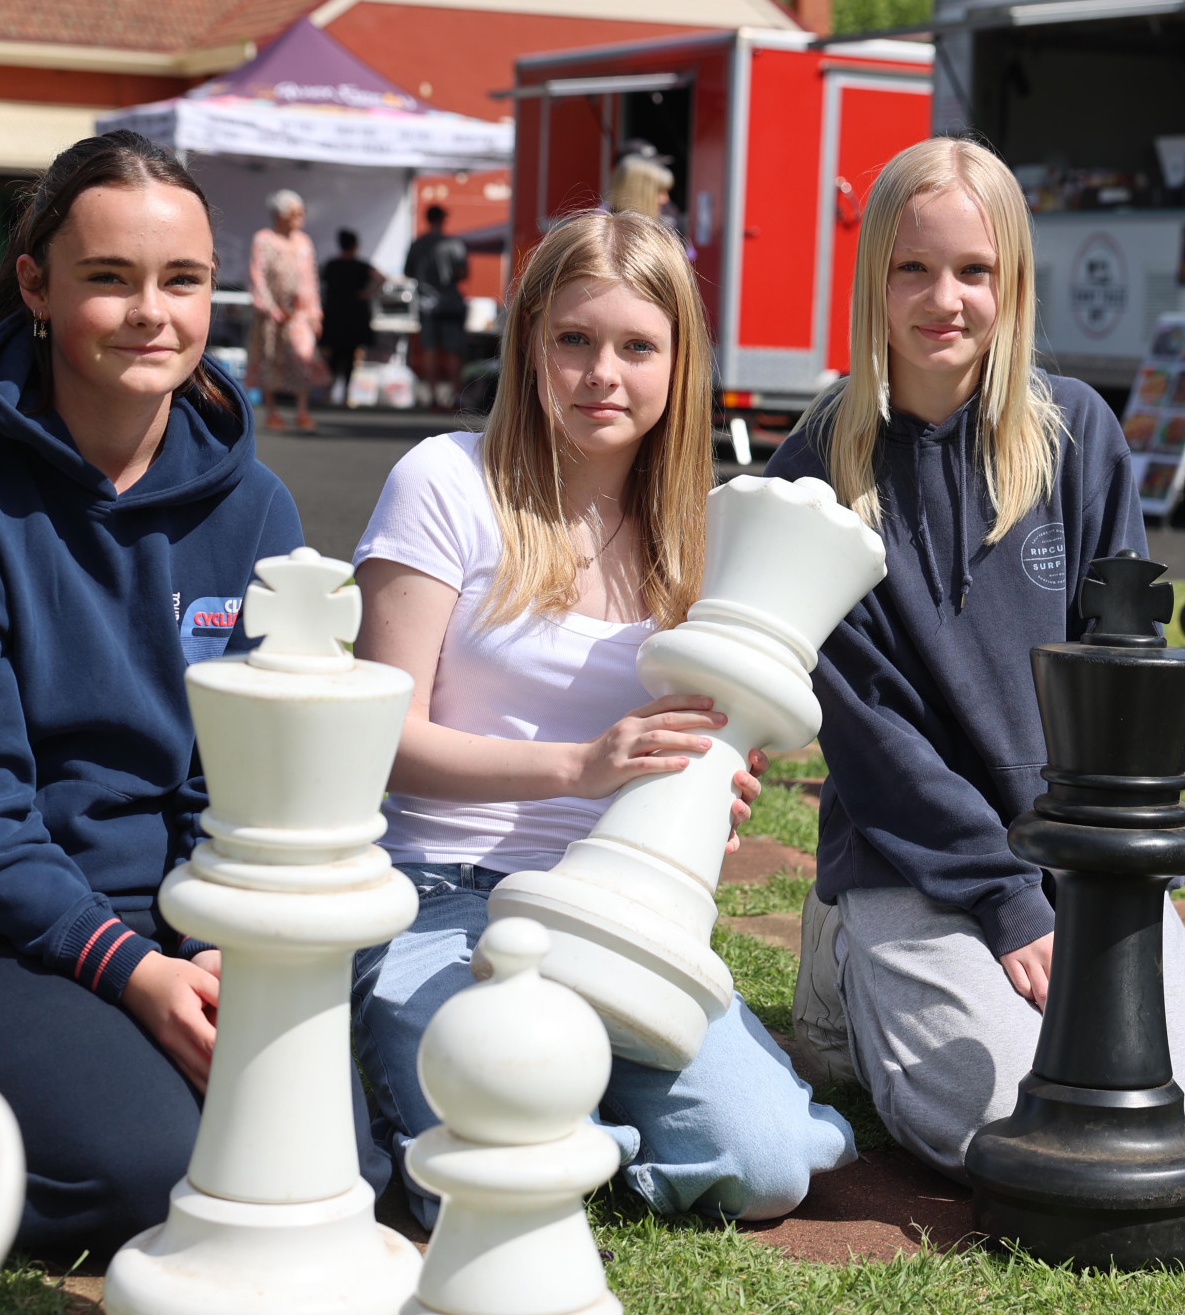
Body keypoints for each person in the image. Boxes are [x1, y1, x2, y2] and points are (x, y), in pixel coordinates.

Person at [0, 131, 321, 1257]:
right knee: (145, 1172)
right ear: (39, 286)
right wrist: (129, 972)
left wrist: (210, 946)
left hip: (166, 924)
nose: (153, 312)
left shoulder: (257, 514)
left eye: (182, 280)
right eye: (112, 279)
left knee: (314, 1146)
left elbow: (237, 780)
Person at [350, 207, 856, 1228]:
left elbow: (693, 737)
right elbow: (376, 742)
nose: (601, 375)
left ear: (679, 364)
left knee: (766, 1168)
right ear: (529, 342)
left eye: (636, 346)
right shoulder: (446, 482)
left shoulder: (702, 533)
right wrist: (579, 768)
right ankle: (541, 1122)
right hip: (440, 896)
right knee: (491, 1165)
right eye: (573, 340)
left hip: (621, 915)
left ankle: (573, 1123)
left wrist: (706, 779)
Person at [763, 136, 1185, 1180]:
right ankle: (841, 967)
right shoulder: (814, 464)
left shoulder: (1078, 435)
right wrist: (1000, 897)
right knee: (1001, 1125)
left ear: (1011, 282)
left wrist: (1085, 874)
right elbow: (865, 731)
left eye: (973, 271)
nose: (944, 299)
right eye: (912, 268)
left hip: (1075, 855)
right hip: (914, 853)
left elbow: (1119, 675)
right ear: (873, 281)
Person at [247, 188, 329, 433]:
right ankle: (272, 412)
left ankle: (302, 410)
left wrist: (315, 313)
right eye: (295, 212)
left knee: (304, 356)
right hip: (272, 315)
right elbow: (257, 276)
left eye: (301, 212)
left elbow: (311, 280)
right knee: (270, 360)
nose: (300, 216)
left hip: (299, 313)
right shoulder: (263, 239)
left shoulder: (304, 242)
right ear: (280, 215)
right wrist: (270, 307)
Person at [403, 204, 469, 410]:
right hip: (449, 302)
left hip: (426, 303)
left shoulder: (417, 244)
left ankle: (431, 396)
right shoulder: (454, 244)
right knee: (452, 351)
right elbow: (463, 273)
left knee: (429, 350)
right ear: (442, 220)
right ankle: (456, 395)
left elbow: (408, 272)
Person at [319, 227, 377, 406]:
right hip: (353, 316)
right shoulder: (361, 266)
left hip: (335, 315)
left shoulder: (331, 265)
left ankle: (330, 391)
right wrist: (368, 293)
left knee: (334, 356)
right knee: (350, 356)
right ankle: (344, 393)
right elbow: (381, 277)